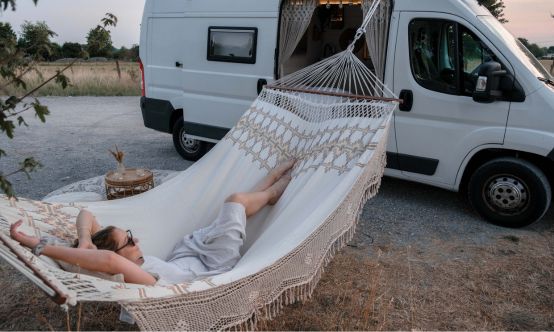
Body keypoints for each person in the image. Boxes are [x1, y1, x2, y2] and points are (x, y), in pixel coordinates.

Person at [9, 160, 295, 286]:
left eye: (131, 236)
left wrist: (85, 239)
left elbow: (86, 215)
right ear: (117, 256)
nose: (137, 241)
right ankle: (271, 189)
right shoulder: (140, 279)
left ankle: (268, 182)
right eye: (130, 242)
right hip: (213, 266)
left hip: (188, 252)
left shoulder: (118, 257)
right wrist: (40, 247)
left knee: (235, 210)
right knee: (235, 202)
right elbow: (108, 261)